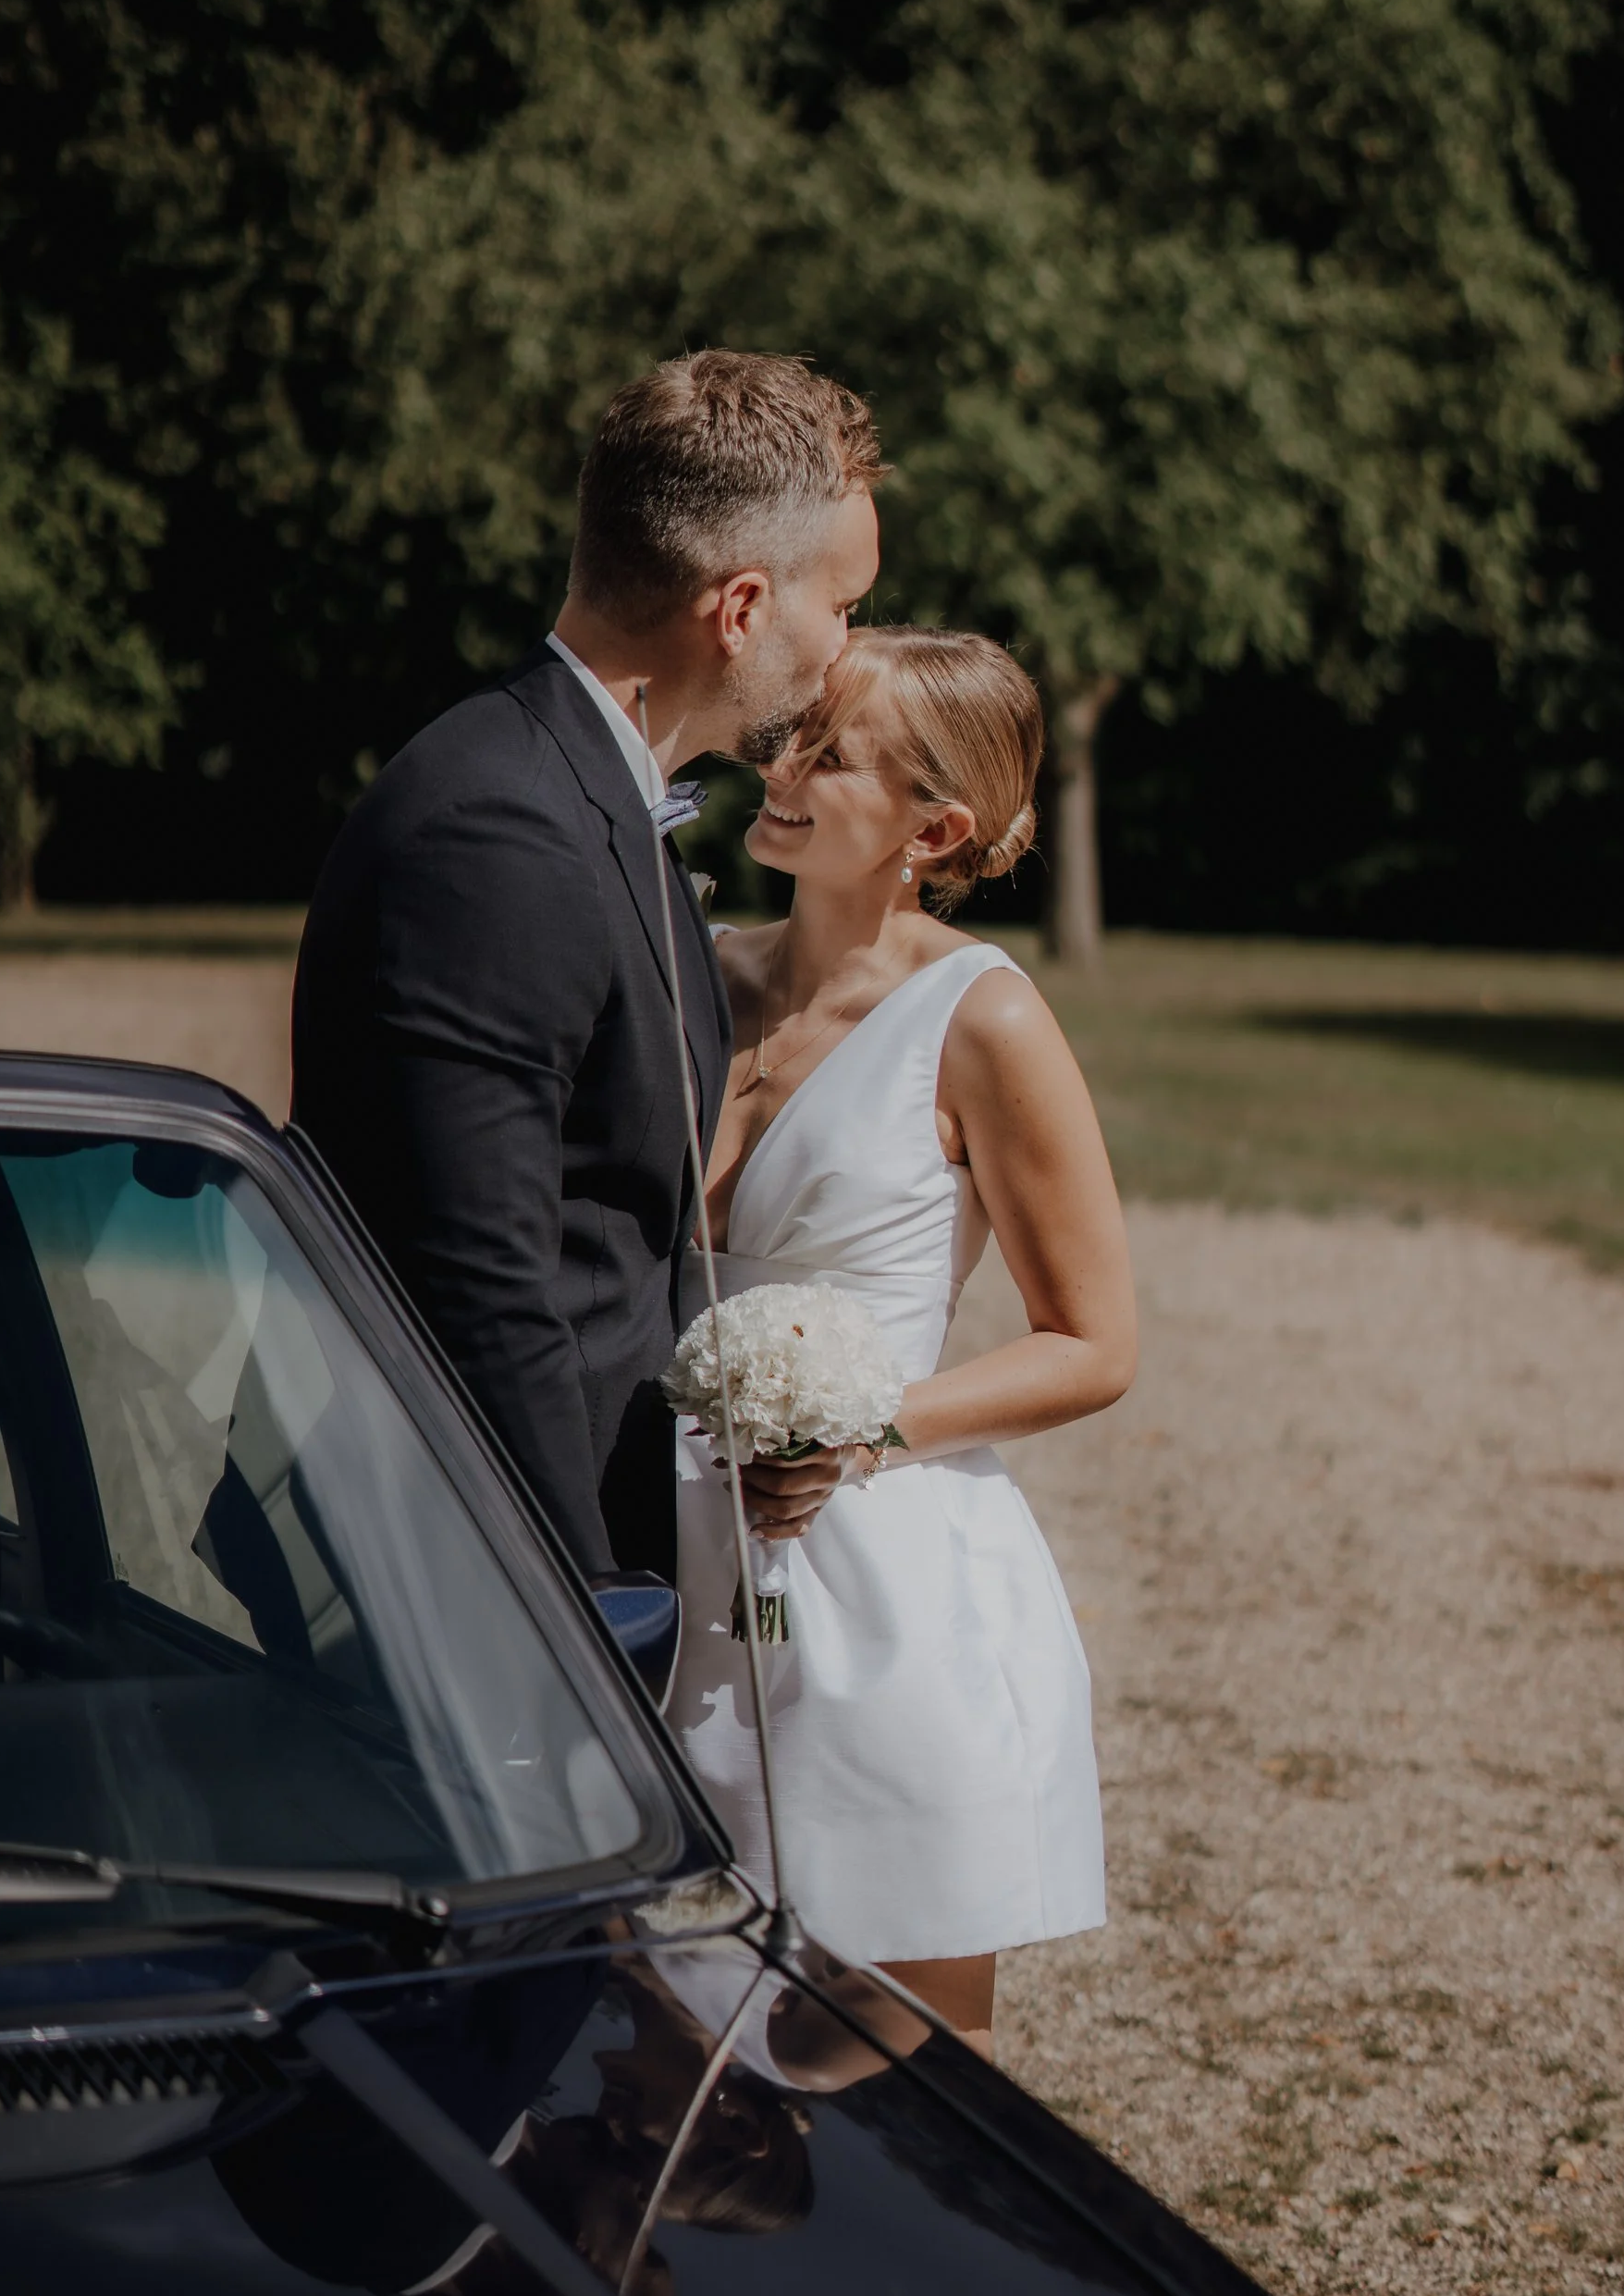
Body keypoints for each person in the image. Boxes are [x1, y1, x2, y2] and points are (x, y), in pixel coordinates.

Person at [290, 351, 881, 1587]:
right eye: (843, 605)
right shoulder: (500, 832)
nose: (847, 647)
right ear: (741, 609)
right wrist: (578, 1627)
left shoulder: (593, 793)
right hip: (473, 1572)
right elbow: (482, 1284)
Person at [667, 628, 1138, 2056]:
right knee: (651, 2068)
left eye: (828, 750)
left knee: (884, 2077)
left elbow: (1093, 1339)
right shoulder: (696, 969)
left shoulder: (980, 1018)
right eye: (790, 731)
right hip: (661, 1561)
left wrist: (858, 1431)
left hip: (883, 1589)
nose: (781, 764)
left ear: (933, 827)